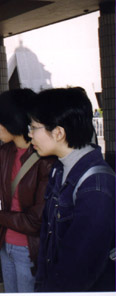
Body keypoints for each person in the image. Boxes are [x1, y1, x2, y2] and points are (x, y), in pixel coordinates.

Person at [0, 89, 55, 293]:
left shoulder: (45, 159)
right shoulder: (4, 153)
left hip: (30, 249)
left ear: (14, 120)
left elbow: (35, 220)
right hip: (5, 244)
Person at [28, 88, 115, 292]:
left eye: (33, 127)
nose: (29, 134)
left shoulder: (96, 185)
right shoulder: (59, 169)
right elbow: (47, 243)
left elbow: (79, 268)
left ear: (58, 132)